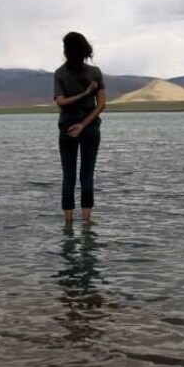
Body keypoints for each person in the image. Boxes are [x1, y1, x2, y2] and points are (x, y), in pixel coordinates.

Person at [53, 32, 106, 225]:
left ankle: (68, 224)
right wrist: (86, 95)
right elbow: (101, 105)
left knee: (69, 177)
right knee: (87, 176)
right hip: (90, 129)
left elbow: (61, 102)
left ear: (67, 51)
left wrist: (78, 125)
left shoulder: (60, 73)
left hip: (68, 129)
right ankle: (86, 223)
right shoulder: (95, 73)